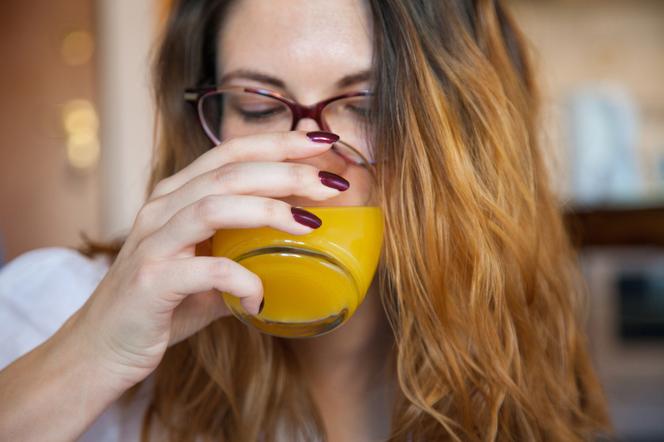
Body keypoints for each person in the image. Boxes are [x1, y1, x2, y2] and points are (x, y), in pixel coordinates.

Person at [0, 0, 611, 441]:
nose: (309, 153)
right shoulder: (58, 307)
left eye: (367, 105)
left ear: (465, 137)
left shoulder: (504, 360)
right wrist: (93, 353)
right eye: (259, 106)